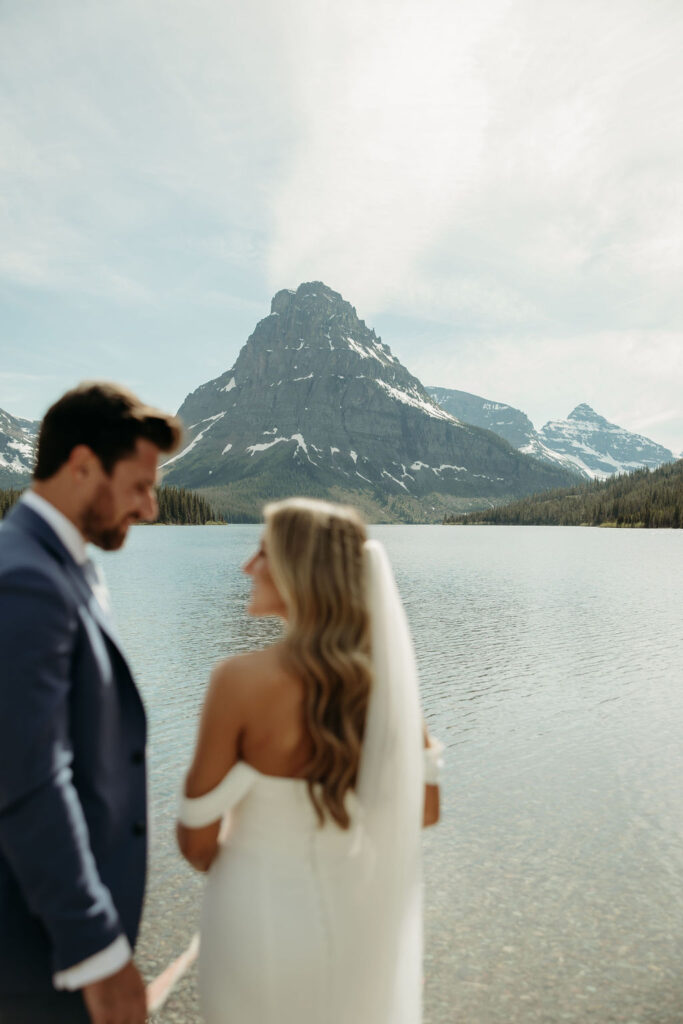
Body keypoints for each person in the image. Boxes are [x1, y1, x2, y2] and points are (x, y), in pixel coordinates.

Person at [177, 497, 442, 1024]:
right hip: (357, 923)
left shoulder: (239, 681)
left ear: (301, 570)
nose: (247, 567)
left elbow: (196, 843)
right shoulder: (387, 687)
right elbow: (425, 811)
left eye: (262, 553)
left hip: (255, 923)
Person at [0, 382, 182, 1024]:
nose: (151, 508)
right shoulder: (26, 580)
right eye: (138, 485)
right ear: (81, 466)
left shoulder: (56, 563)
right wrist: (99, 954)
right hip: (35, 957)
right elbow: (27, 781)